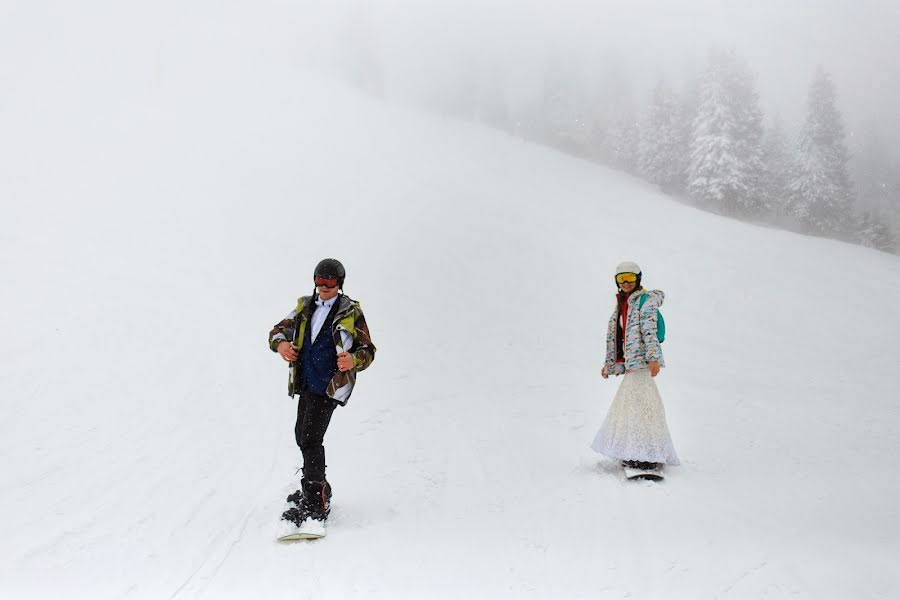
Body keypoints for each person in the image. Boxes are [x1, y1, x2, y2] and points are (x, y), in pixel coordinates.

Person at [268, 258, 376, 532]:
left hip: (329, 385)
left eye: (329, 283)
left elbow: (368, 349)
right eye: (319, 282)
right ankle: (313, 486)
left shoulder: (350, 312)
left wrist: (353, 360)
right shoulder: (305, 307)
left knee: (311, 437)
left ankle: (317, 502)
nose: (323, 288)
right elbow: (277, 331)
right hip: (305, 381)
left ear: (339, 284)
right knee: (300, 436)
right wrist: (281, 345)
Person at [591, 261, 679, 474]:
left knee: (641, 407)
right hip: (633, 365)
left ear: (638, 278)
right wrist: (610, 365)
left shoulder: (645, 302)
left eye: (630, 277)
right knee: (634, 407)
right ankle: (636, 451)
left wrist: (653, 358)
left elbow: (649, 331)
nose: (627, 282)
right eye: (622, 278)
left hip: (642, 364)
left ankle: (645, 455)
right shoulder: (623, 303)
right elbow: (617, 338)